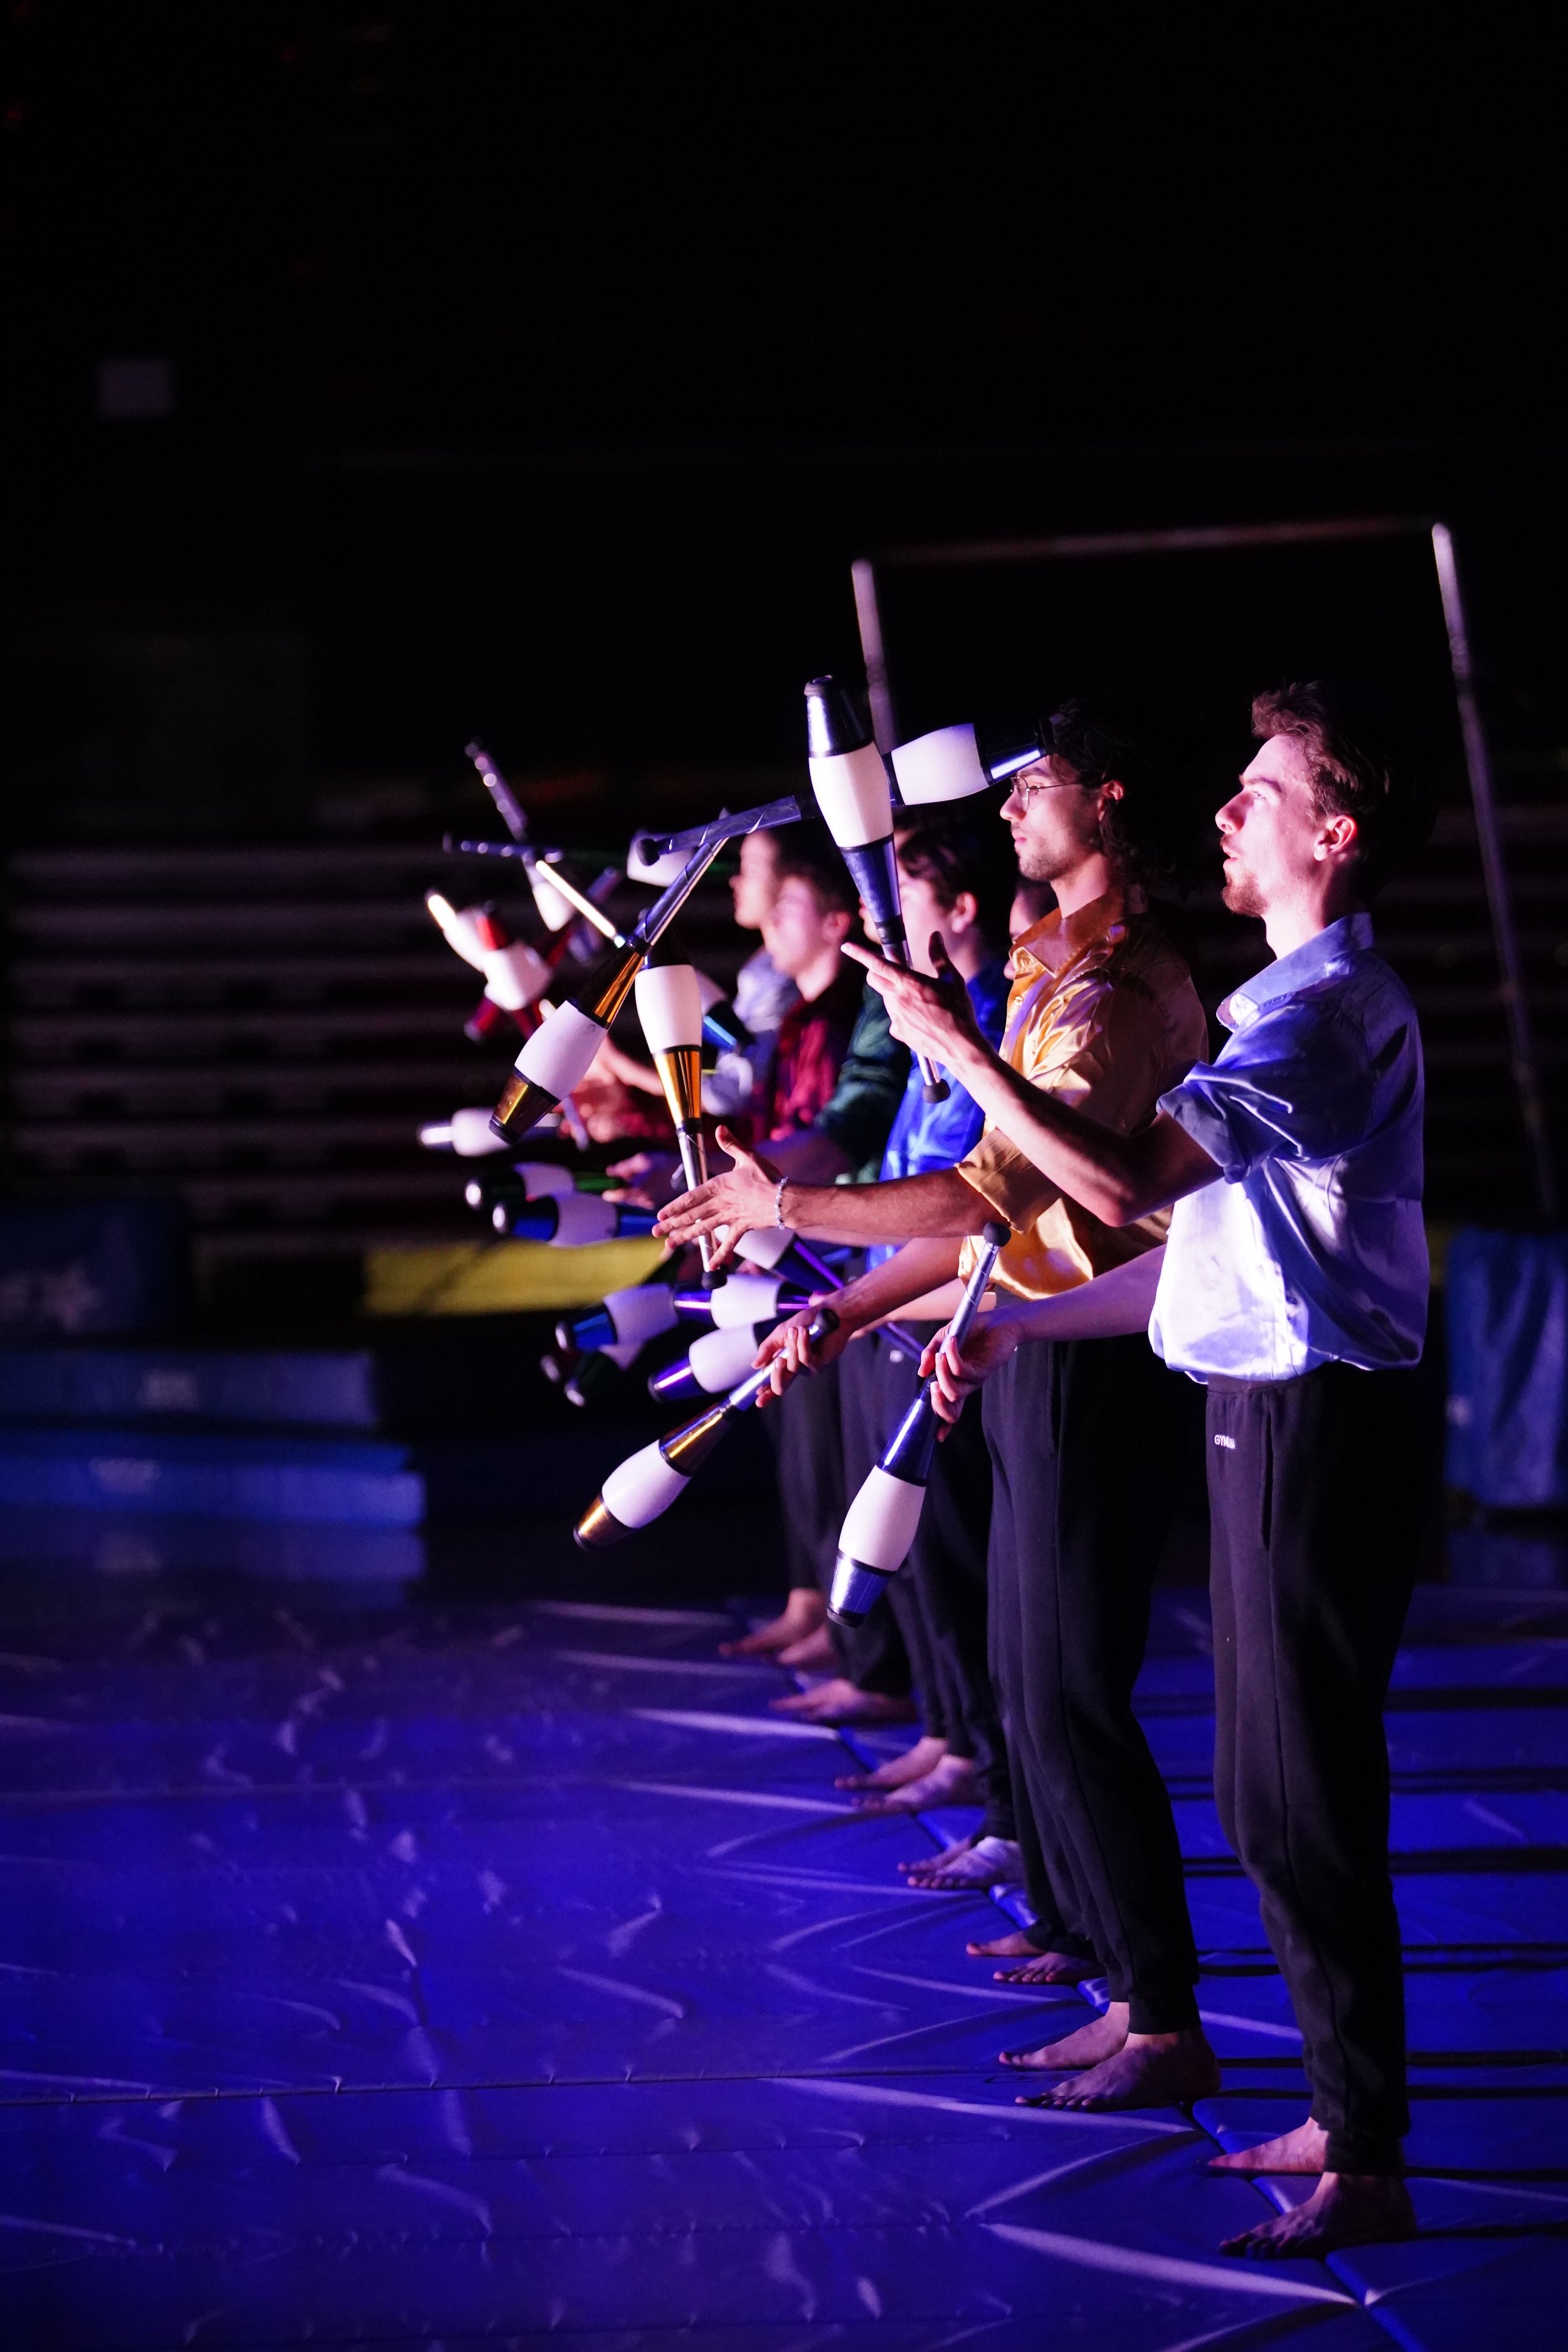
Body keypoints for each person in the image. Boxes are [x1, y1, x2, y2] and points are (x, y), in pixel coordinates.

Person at [872, 683, 1431, 2260]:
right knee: (1261, 1792)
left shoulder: (1327, 1018)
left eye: (1260, 792)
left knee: (1302, 1794)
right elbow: (1189, 1256)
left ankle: (1365, 2151)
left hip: (1319, 1432)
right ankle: (1338, 2117)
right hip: (1256, 1415)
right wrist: (1018, 1329)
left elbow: (1116, 1181)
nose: (1224, 812)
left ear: (1332, 834)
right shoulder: (1273, 1012)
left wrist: (960, 1053)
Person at [658, 704, 1217, 2074]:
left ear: (1108, 802)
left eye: (1038, 787)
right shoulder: (1042, 965)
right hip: (1016, 1337)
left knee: (1073, 1686)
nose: (1011, 806)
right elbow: (989, 1218)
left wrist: (790, 1204)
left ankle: (1160, 2009)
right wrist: (843, 1306)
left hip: (1091, 1355)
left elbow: (995, 1191)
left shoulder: (1126, 984)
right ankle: (1089, 1940)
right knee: (1028, 1674)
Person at [786, 813, 1014, 1791]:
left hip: (943, 1310)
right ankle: (944, 1727)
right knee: (906, 1553)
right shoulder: (926, 1023)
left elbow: (967, 1192)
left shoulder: (988, 1018)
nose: (884, 917)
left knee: (950, 1550)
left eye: (904, 895)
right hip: (891, 1304)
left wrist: (794, 1206)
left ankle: (978, 1752)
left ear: (959, 908)